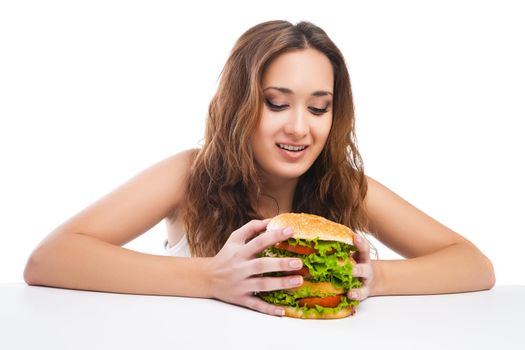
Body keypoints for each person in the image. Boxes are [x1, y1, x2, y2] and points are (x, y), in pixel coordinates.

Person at [23, 20, 495, 317]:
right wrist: (211, 277)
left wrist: (376, 280)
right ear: (239, 105)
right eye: (276, 103)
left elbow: (474, 265)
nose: (299, 128)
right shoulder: (189, 175)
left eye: (318, 108)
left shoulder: (346, 185)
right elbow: (49, 259)